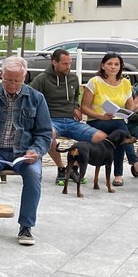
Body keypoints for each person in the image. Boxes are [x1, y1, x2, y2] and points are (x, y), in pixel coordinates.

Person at [0, 56, 52, 246]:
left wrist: (36, 151)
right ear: (1, 75)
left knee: (34, 175)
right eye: (8, 79)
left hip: (24, 152)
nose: (12, 84)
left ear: (24, 78)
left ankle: (26, 226)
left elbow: (44, 133)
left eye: (17, 81)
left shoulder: (36, 98)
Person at [29, 49, 105, 185]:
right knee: (48, 135)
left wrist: (76, 107)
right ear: (54, 62)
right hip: (51, 120)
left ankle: (73, 167)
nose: (68, 67)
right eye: (64, 64)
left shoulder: (73, 78)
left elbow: (76, 96)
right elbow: (30, 99)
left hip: (71, 121)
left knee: (101, 137)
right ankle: (61, 168)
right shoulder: (41, 79)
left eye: (70, 63)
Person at [79, 52, 138, 184]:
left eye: (116, 64)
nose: (113, 67)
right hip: (97, 120)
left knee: (120, 132)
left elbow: (129, 110)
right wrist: (101, 116)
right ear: (103, 65)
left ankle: (119, 175)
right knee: (121, 129)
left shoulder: (125, 83)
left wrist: (136, 105)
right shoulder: (94, 82)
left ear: (120, 66)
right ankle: (133, 163)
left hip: (117, 122)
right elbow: (84, 107)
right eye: (109, 64)